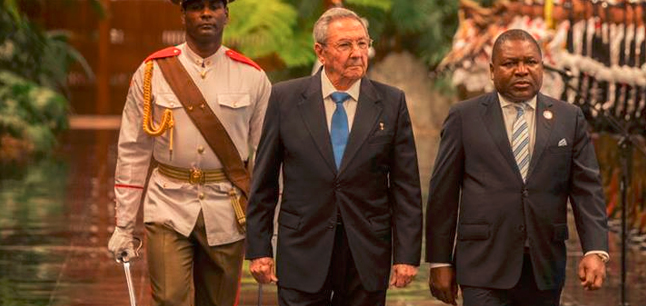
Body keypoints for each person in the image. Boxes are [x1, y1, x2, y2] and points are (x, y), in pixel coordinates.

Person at [245, 7, 423, 306]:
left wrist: (406, 255)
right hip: (302, 249)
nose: (357, 53)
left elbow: (406, 188)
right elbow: (263, 182)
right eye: (345, 45)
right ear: (321, 52)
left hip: (366, 252)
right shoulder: (285, 98)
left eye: (362, 43)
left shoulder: (391, 102)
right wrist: (260, 248)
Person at [426, 29, 610, 306]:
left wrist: (595, 249)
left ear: (542, 66)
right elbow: (443, 194)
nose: (522, 71)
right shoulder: (465, 117)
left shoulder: (568, 117)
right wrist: (439, 261)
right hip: (482, 263)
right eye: (510, 64)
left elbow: (587, 189)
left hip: (544, 264)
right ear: (491, 70)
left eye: (530, 62)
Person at [106, 0, 271, 305]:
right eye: (196, 6)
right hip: (168, 202)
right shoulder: (152, 72)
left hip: (227, 207)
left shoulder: (253, 76)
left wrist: (267, 231)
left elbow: (267, 158)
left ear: (227, 14)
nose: (206, 13)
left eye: (214, 6)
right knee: (169, 298)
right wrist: (124, 225)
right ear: (182, 15)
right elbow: (133, 150)